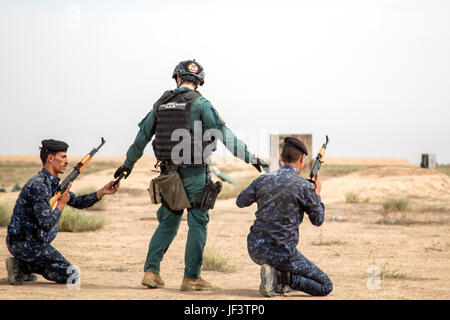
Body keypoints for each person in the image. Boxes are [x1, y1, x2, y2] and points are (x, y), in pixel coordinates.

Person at [114, 59, 269, 291]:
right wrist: (251, 158)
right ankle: (191, 278)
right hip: (195, 174)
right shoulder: (201, 104)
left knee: (167, 223)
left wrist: (127, 165)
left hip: (168, 175)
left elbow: (142, 137)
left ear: (177, 79)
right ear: (198, 83)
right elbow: (225, 135)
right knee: (198, 223)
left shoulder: (161, 103)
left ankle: (151, 271)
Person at [5, 139, 119, 285]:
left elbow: (78, 202)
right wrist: (61, 204)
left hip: (30, 237)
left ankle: (24, 265)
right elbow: (46, 224)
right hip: (23, 242)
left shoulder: (51, 183)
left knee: (55, 229)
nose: (67, 161)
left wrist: (102, 192)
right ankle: (23, 265)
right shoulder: (39, 185)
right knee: (73, 275)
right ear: (51, 158)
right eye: (63, 157)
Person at [236, 137, 333, 297]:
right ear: (302, 159)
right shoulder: (305, 187)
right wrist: (316, 195)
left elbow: (240, 201)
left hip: (255, 249)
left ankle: (274, 274)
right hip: (283, 253)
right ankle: (282, 277)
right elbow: (318, 220)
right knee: (325, 285)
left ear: (281, 158)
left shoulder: (263, 180)